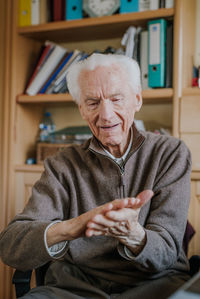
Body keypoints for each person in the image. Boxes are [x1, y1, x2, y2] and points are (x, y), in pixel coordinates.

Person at [0, 54, 192, 299]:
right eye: (92, 102)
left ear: (137, 100)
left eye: (116, 99)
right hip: (74, 287)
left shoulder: (170, 153)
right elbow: (10, 246)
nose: (106, 114)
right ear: (81, 109)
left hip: (154, 284)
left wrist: (132, 233)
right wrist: (73, 227)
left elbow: (165, 252)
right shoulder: (62, 165)